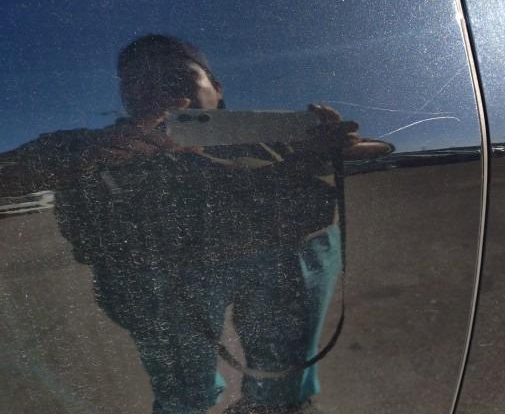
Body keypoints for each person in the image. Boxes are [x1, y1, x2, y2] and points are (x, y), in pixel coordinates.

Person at [0, 35, 392, 414]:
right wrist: (88, 155)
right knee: (182, 390)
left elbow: (377, 148)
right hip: (165, 273)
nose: (161, 90)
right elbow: (9, 172)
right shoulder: (96, 144)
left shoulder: (268, 134)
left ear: (217, 89)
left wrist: (334, 146)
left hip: (280, 258)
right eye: (140, 81)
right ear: (124, 97)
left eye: (179, 76)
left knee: (282, 378)